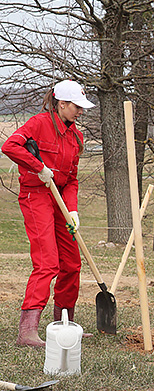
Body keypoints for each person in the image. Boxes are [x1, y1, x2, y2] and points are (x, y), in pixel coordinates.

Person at [2, 80, 94, 347]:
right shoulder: (39, 123)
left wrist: (72, 209)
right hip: (36, 196)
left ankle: (63, 324)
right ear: (62, 104)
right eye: (76, 106)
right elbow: (10, 146)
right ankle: (27, 331)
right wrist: (38, 166)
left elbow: (72, 179)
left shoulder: (76, 137)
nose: (80, 111)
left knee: (72, 263)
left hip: (60, 201)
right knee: (47, 263)